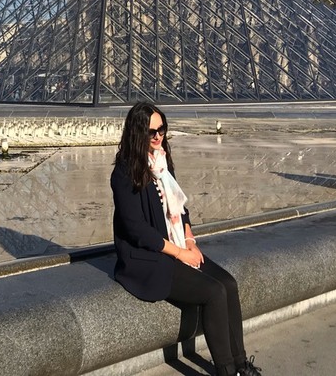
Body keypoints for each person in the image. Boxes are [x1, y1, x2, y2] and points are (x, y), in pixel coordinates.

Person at [110, 102, 261, 376]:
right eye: (151, 132)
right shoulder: (123, 173)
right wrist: (181, 254)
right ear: (136, 134)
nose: (158, 137)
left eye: (162, 130)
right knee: (214, 293)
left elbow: (180, 207)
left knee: (228, 283)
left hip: (176, 245)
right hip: (146, 259)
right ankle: (226, 371)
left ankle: (241, 365)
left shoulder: (162, 164)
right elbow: (136, 230)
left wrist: (189, 240)